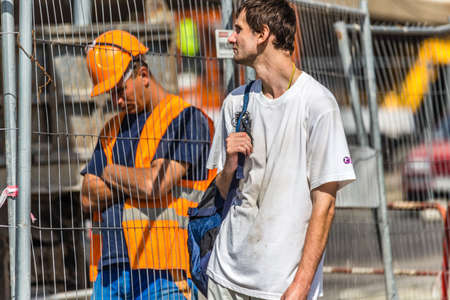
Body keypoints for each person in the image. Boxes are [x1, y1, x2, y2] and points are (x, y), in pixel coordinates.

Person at [205, 1, 356, 299]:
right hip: (224, 278)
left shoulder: (318, 104)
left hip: (280, 288)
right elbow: (220, 192)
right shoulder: (235, 103)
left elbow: (324, 206)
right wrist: (229, 167)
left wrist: (301, 285)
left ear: (262, 34)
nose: (230, 38)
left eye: (238, 30)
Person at [80, 30, 214, 300]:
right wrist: (134, 183)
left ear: (142, 74)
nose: (117, 100)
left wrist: (108, 171)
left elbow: (154, 183)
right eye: (111, 93)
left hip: (166, 269)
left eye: (120, 90)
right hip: (111, 268)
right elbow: (86, 196)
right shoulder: (112, 129)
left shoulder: (185, 119)